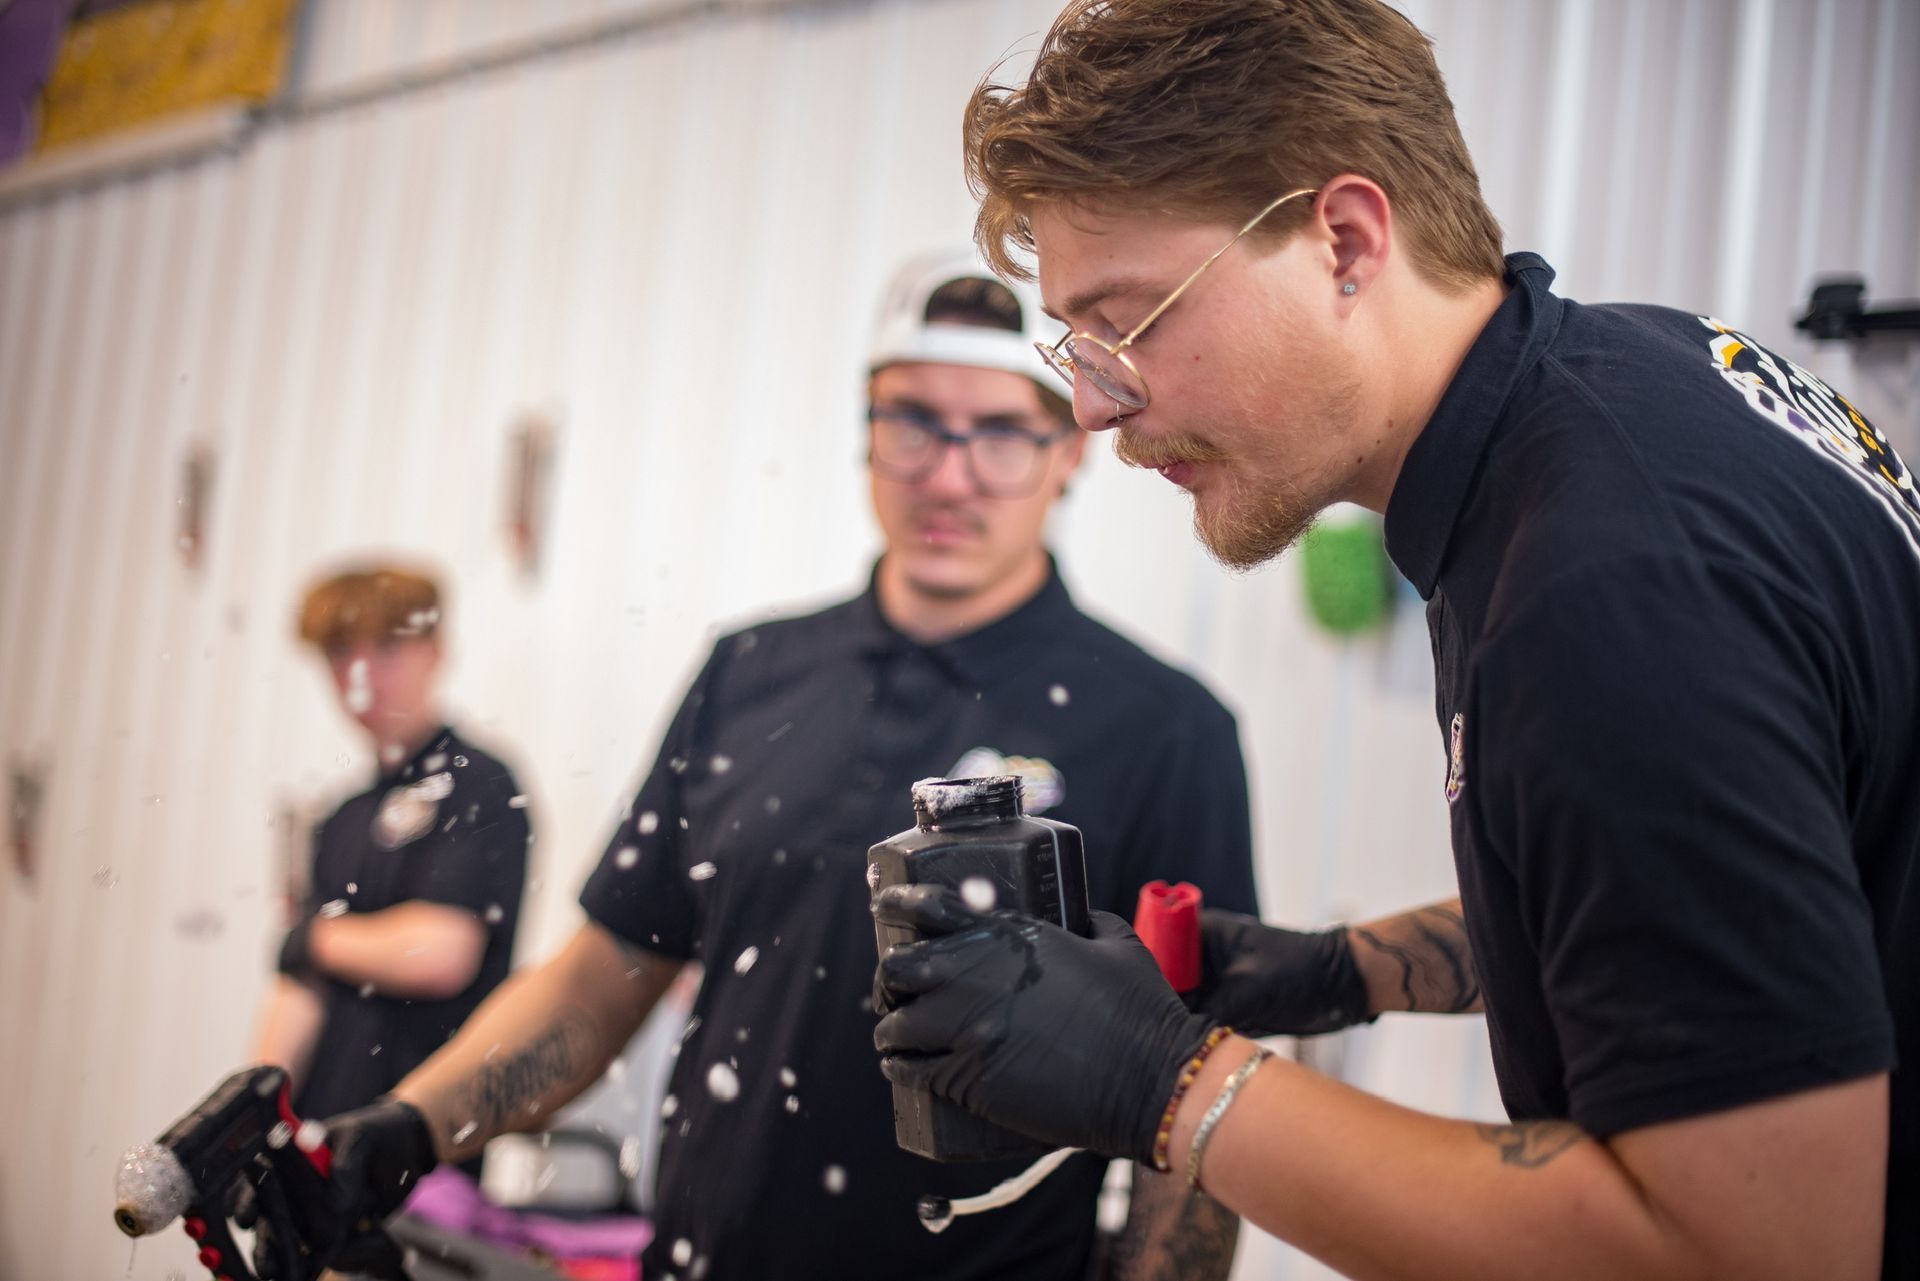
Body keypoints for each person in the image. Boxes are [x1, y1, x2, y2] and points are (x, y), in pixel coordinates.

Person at [869, 3, 1920, 1280]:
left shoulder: (1608, 582)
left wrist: (1172, 1084)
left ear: (1347, 243)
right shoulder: (1631, 383)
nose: (1092, 404)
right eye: (1077, 341)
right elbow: (1719, 905)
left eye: (1128, 324)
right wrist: (1342, 973)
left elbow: (1753, 1250)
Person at [231, 253, 1260, 1281]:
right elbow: (601, 981)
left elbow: (1202, 1106)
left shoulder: (1165, 730)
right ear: (863, 429)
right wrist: (404, 1134)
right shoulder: (751, 675)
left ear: (1069, 448)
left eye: (999, 433)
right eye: (912, 424)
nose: (949, 475)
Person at [249, 565, 529, 1162]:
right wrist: (253, 1113)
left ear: (434, 651)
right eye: (341, 653)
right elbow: (301, 988)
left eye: (387, 647)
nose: (362, 675)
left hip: (421, 1145)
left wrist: (312, 937)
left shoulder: (478, 785)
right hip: (320, 1133)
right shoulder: (342, 818)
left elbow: (440, 954)